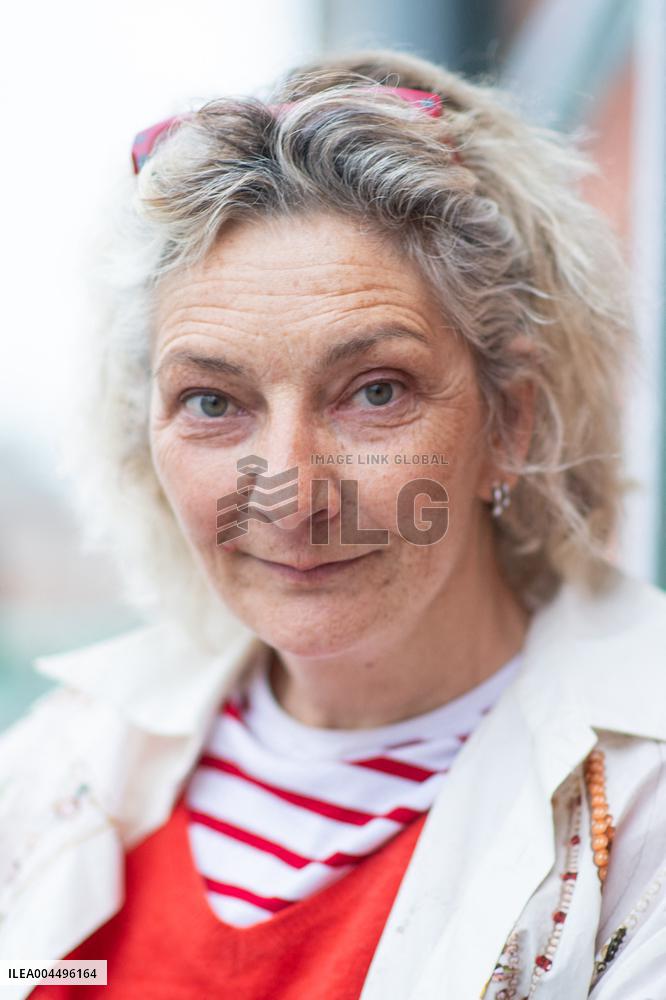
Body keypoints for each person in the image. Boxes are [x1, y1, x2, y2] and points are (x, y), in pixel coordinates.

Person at [1, 48, 665, 1000]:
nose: (292, 490)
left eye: (375, 390)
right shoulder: (56, 765)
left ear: (509, 419)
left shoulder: (643, 820)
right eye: (212, 402)